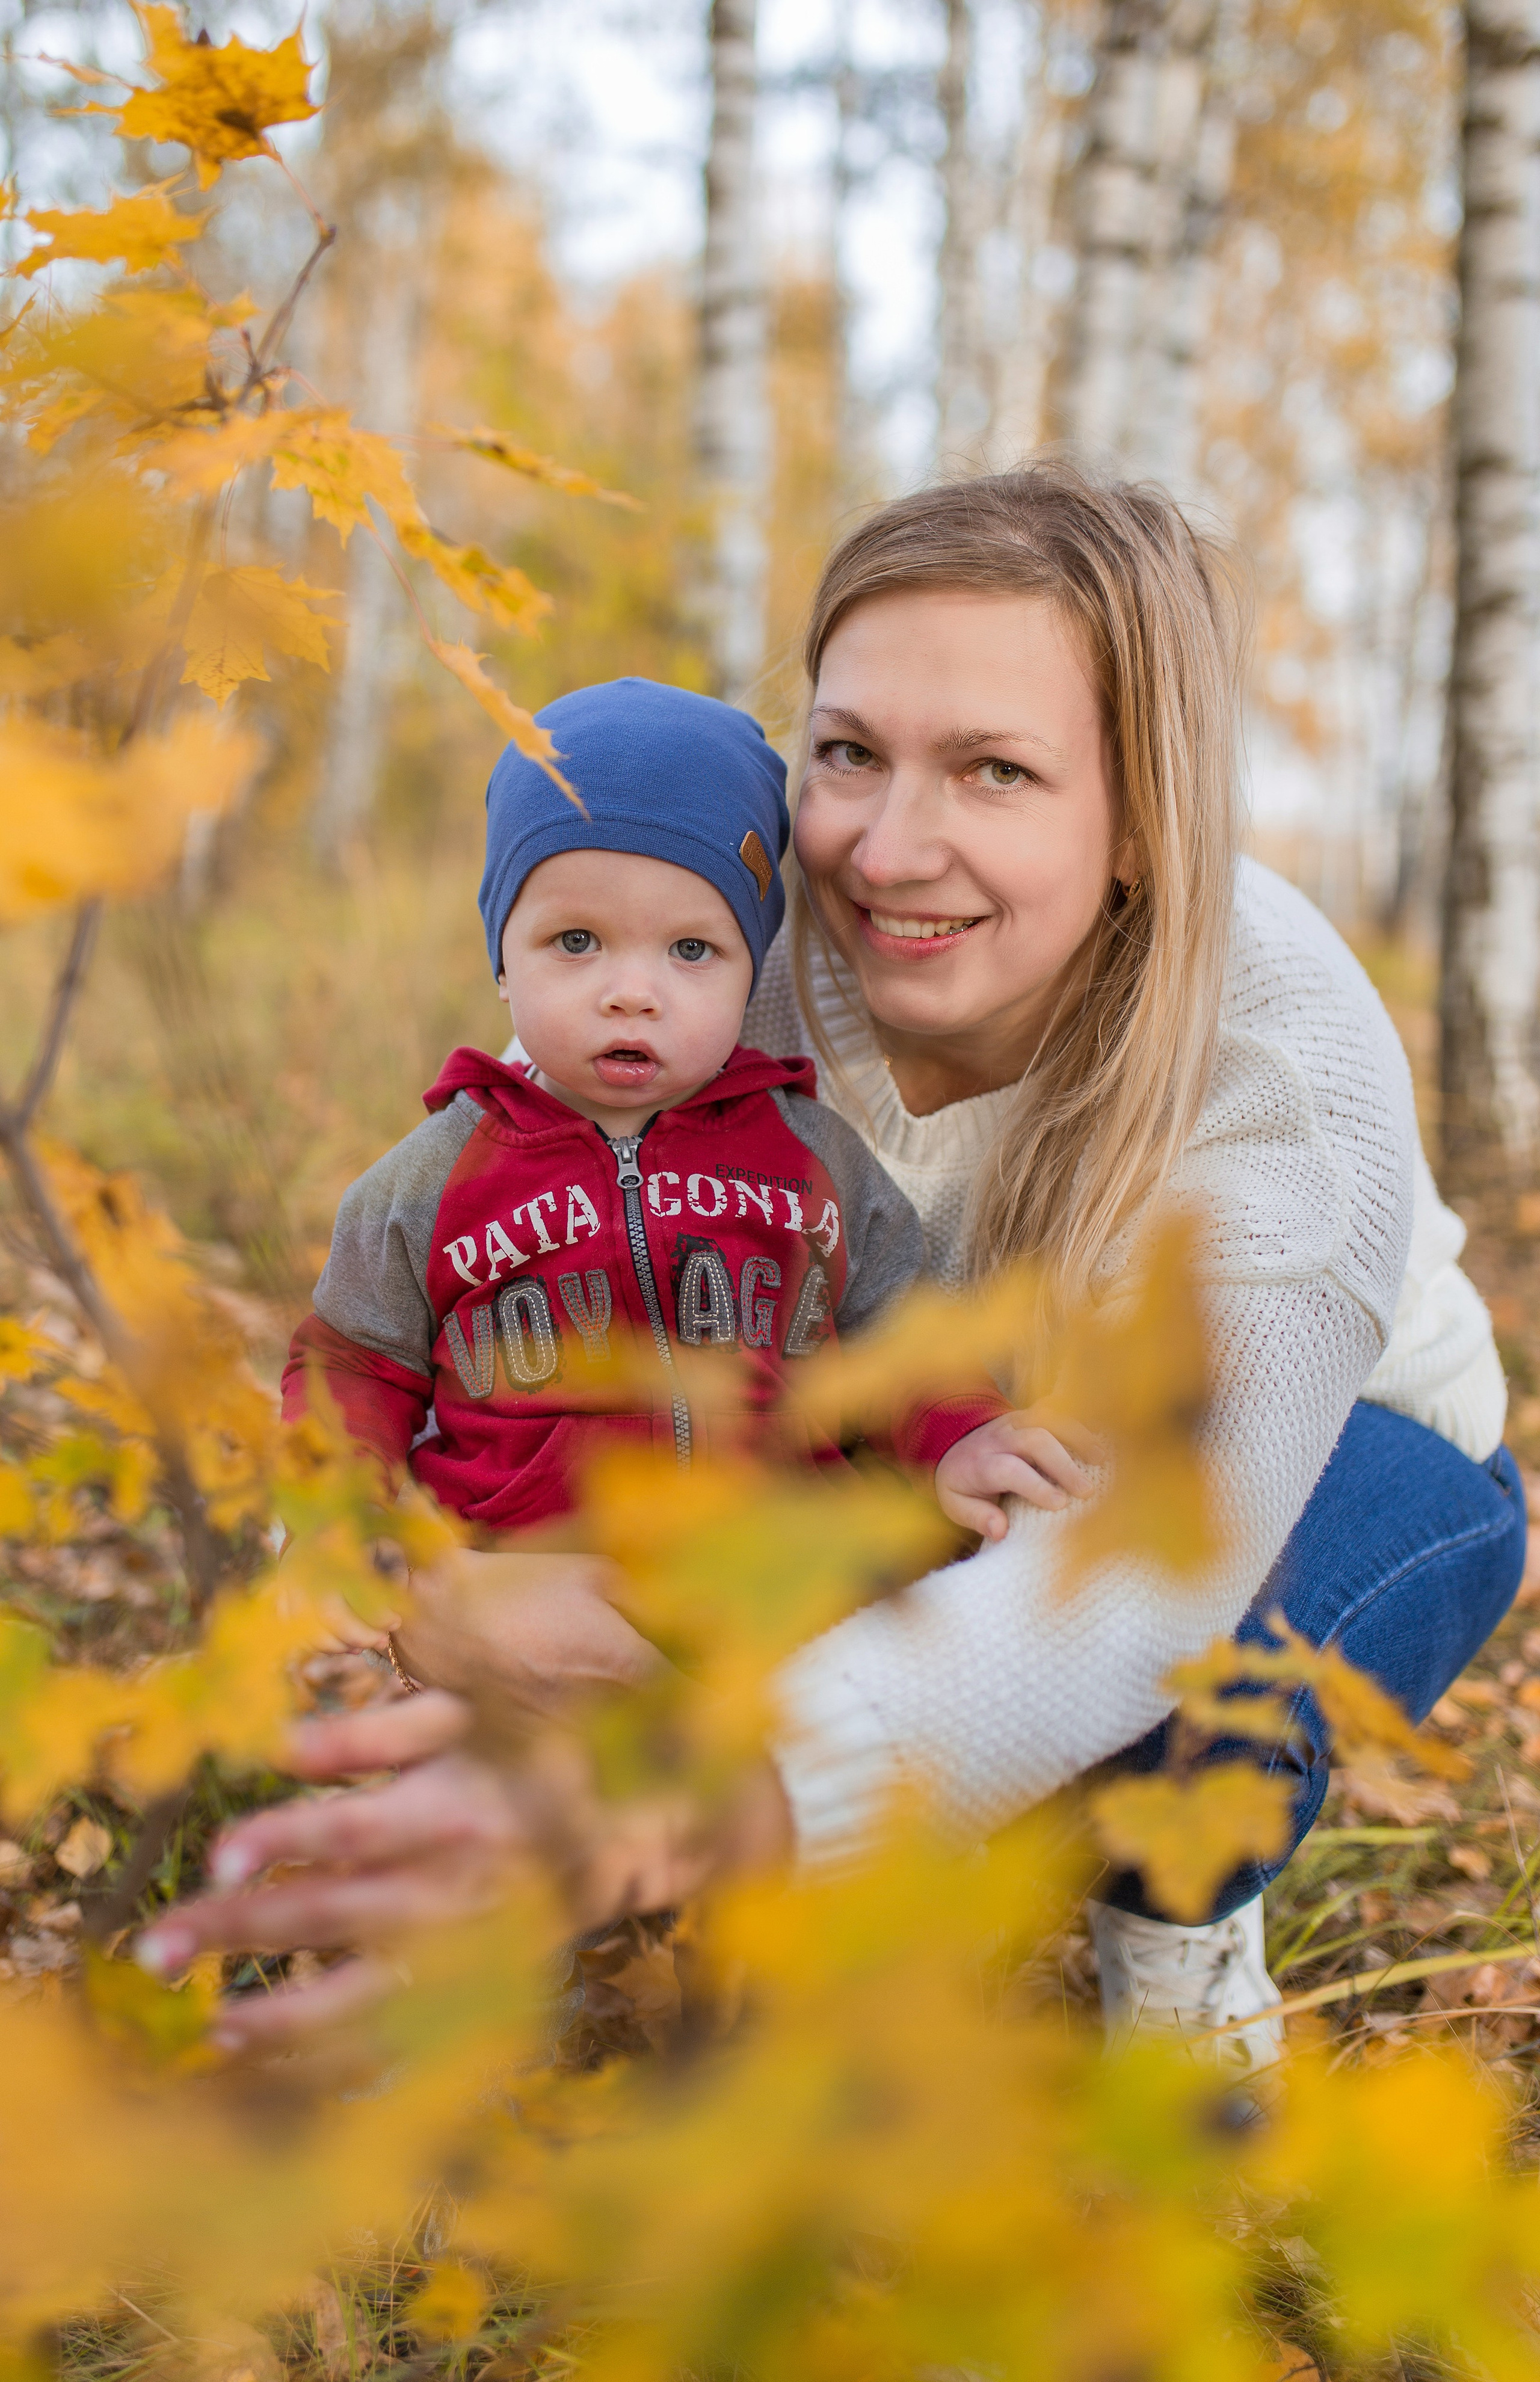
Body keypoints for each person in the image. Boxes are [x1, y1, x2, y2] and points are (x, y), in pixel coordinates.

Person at [141, 464, 1524, 2076]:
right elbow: (467, 1258)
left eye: (995, 770)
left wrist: (720, 1787)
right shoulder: (721, 940)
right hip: (938, 1434)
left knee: (1181, 1686)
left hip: (1328, 1464)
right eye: (850, 752)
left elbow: (1158, 1566)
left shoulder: (1277, 1051)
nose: (886, 849)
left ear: (1143, 819)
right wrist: (431, 1589)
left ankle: (1178, 1910)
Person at [283, 675, 1086, 1603]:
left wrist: (959, 1438)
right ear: (503, 961)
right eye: (576, 942)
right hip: (525, 1600)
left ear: (752, 971)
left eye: (691, 950)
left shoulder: (812, 1160)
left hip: (783, 1605)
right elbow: (353, 1364)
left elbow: (902, 1338)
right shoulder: (433, 1180)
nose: (633, 992)